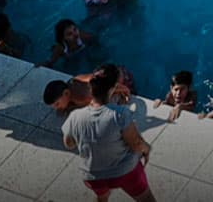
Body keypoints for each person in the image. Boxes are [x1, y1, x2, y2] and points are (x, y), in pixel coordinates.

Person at [62, 67, 156, 201]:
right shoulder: (120, 114)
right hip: (124, 172)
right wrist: (146, 149)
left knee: (102, 197)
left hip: (94, 176)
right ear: (112, 89)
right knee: (146, 198)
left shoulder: (75, 116)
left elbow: (69, 144)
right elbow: (136, 144)